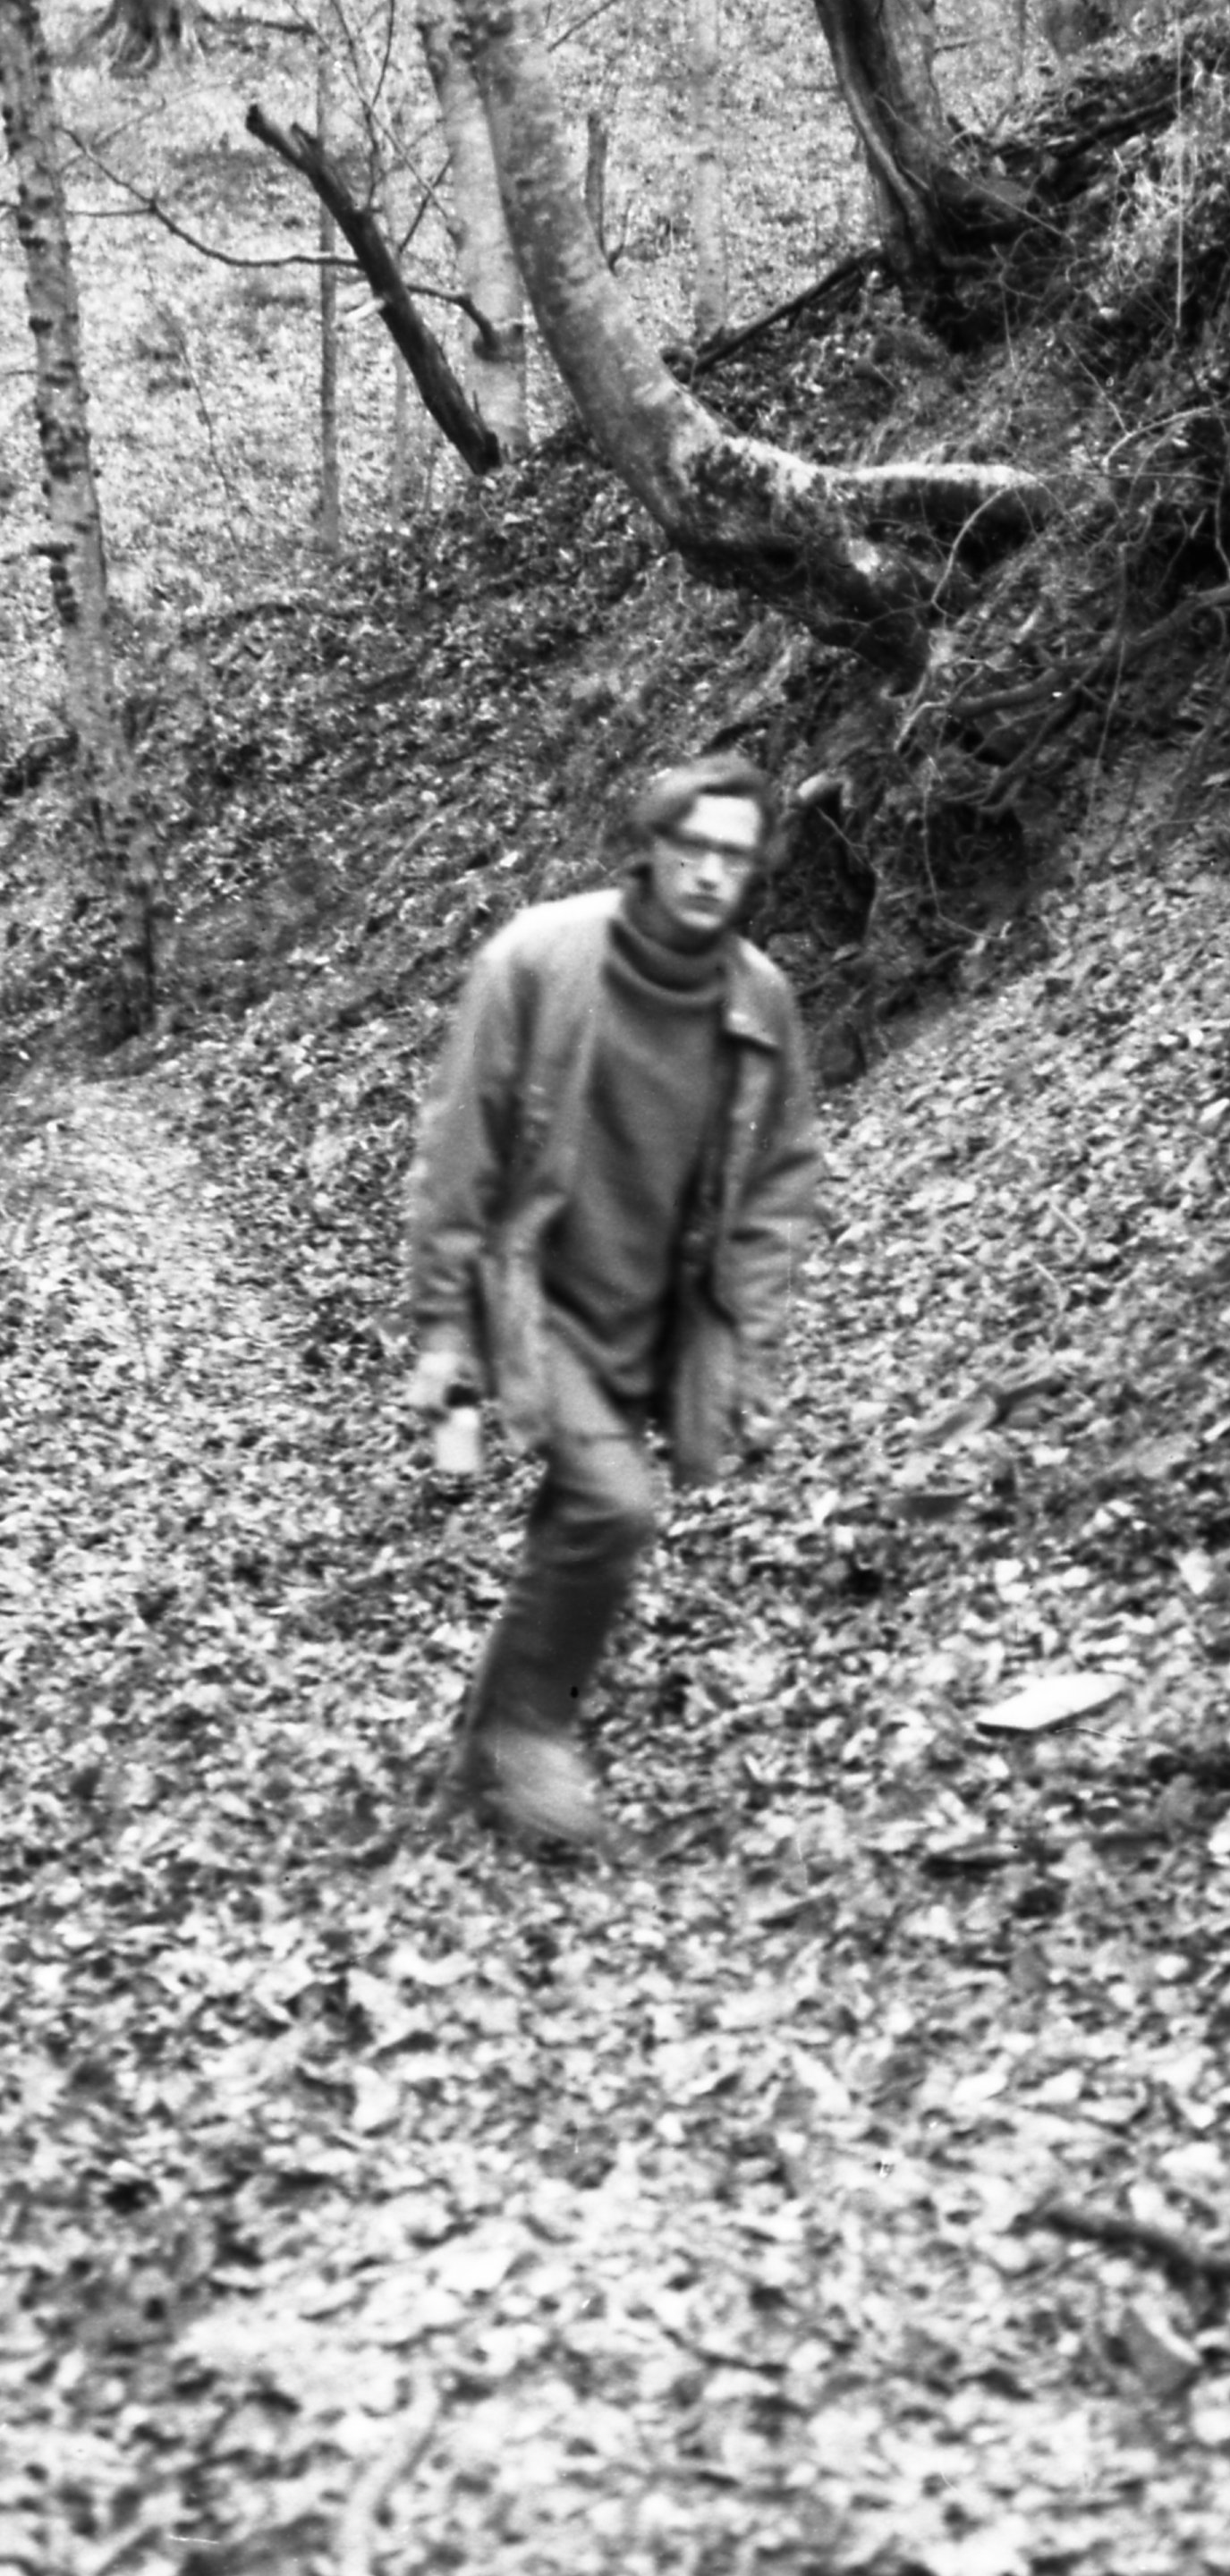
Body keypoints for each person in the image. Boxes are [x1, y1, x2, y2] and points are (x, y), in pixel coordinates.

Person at [405, 752, 822, 1845]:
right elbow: (462, 1149)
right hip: (536, 1300)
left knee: (574, 1520)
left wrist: (751, 1348)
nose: (711, 873)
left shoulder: (760, 999)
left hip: (665, 1319)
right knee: (612, 1507)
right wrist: (442, 1329)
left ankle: (483, 1755)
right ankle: (533, 1731)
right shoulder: (539, 958)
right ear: (653, 845)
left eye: (736, 856)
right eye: (695, 847)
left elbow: (778, 1183)